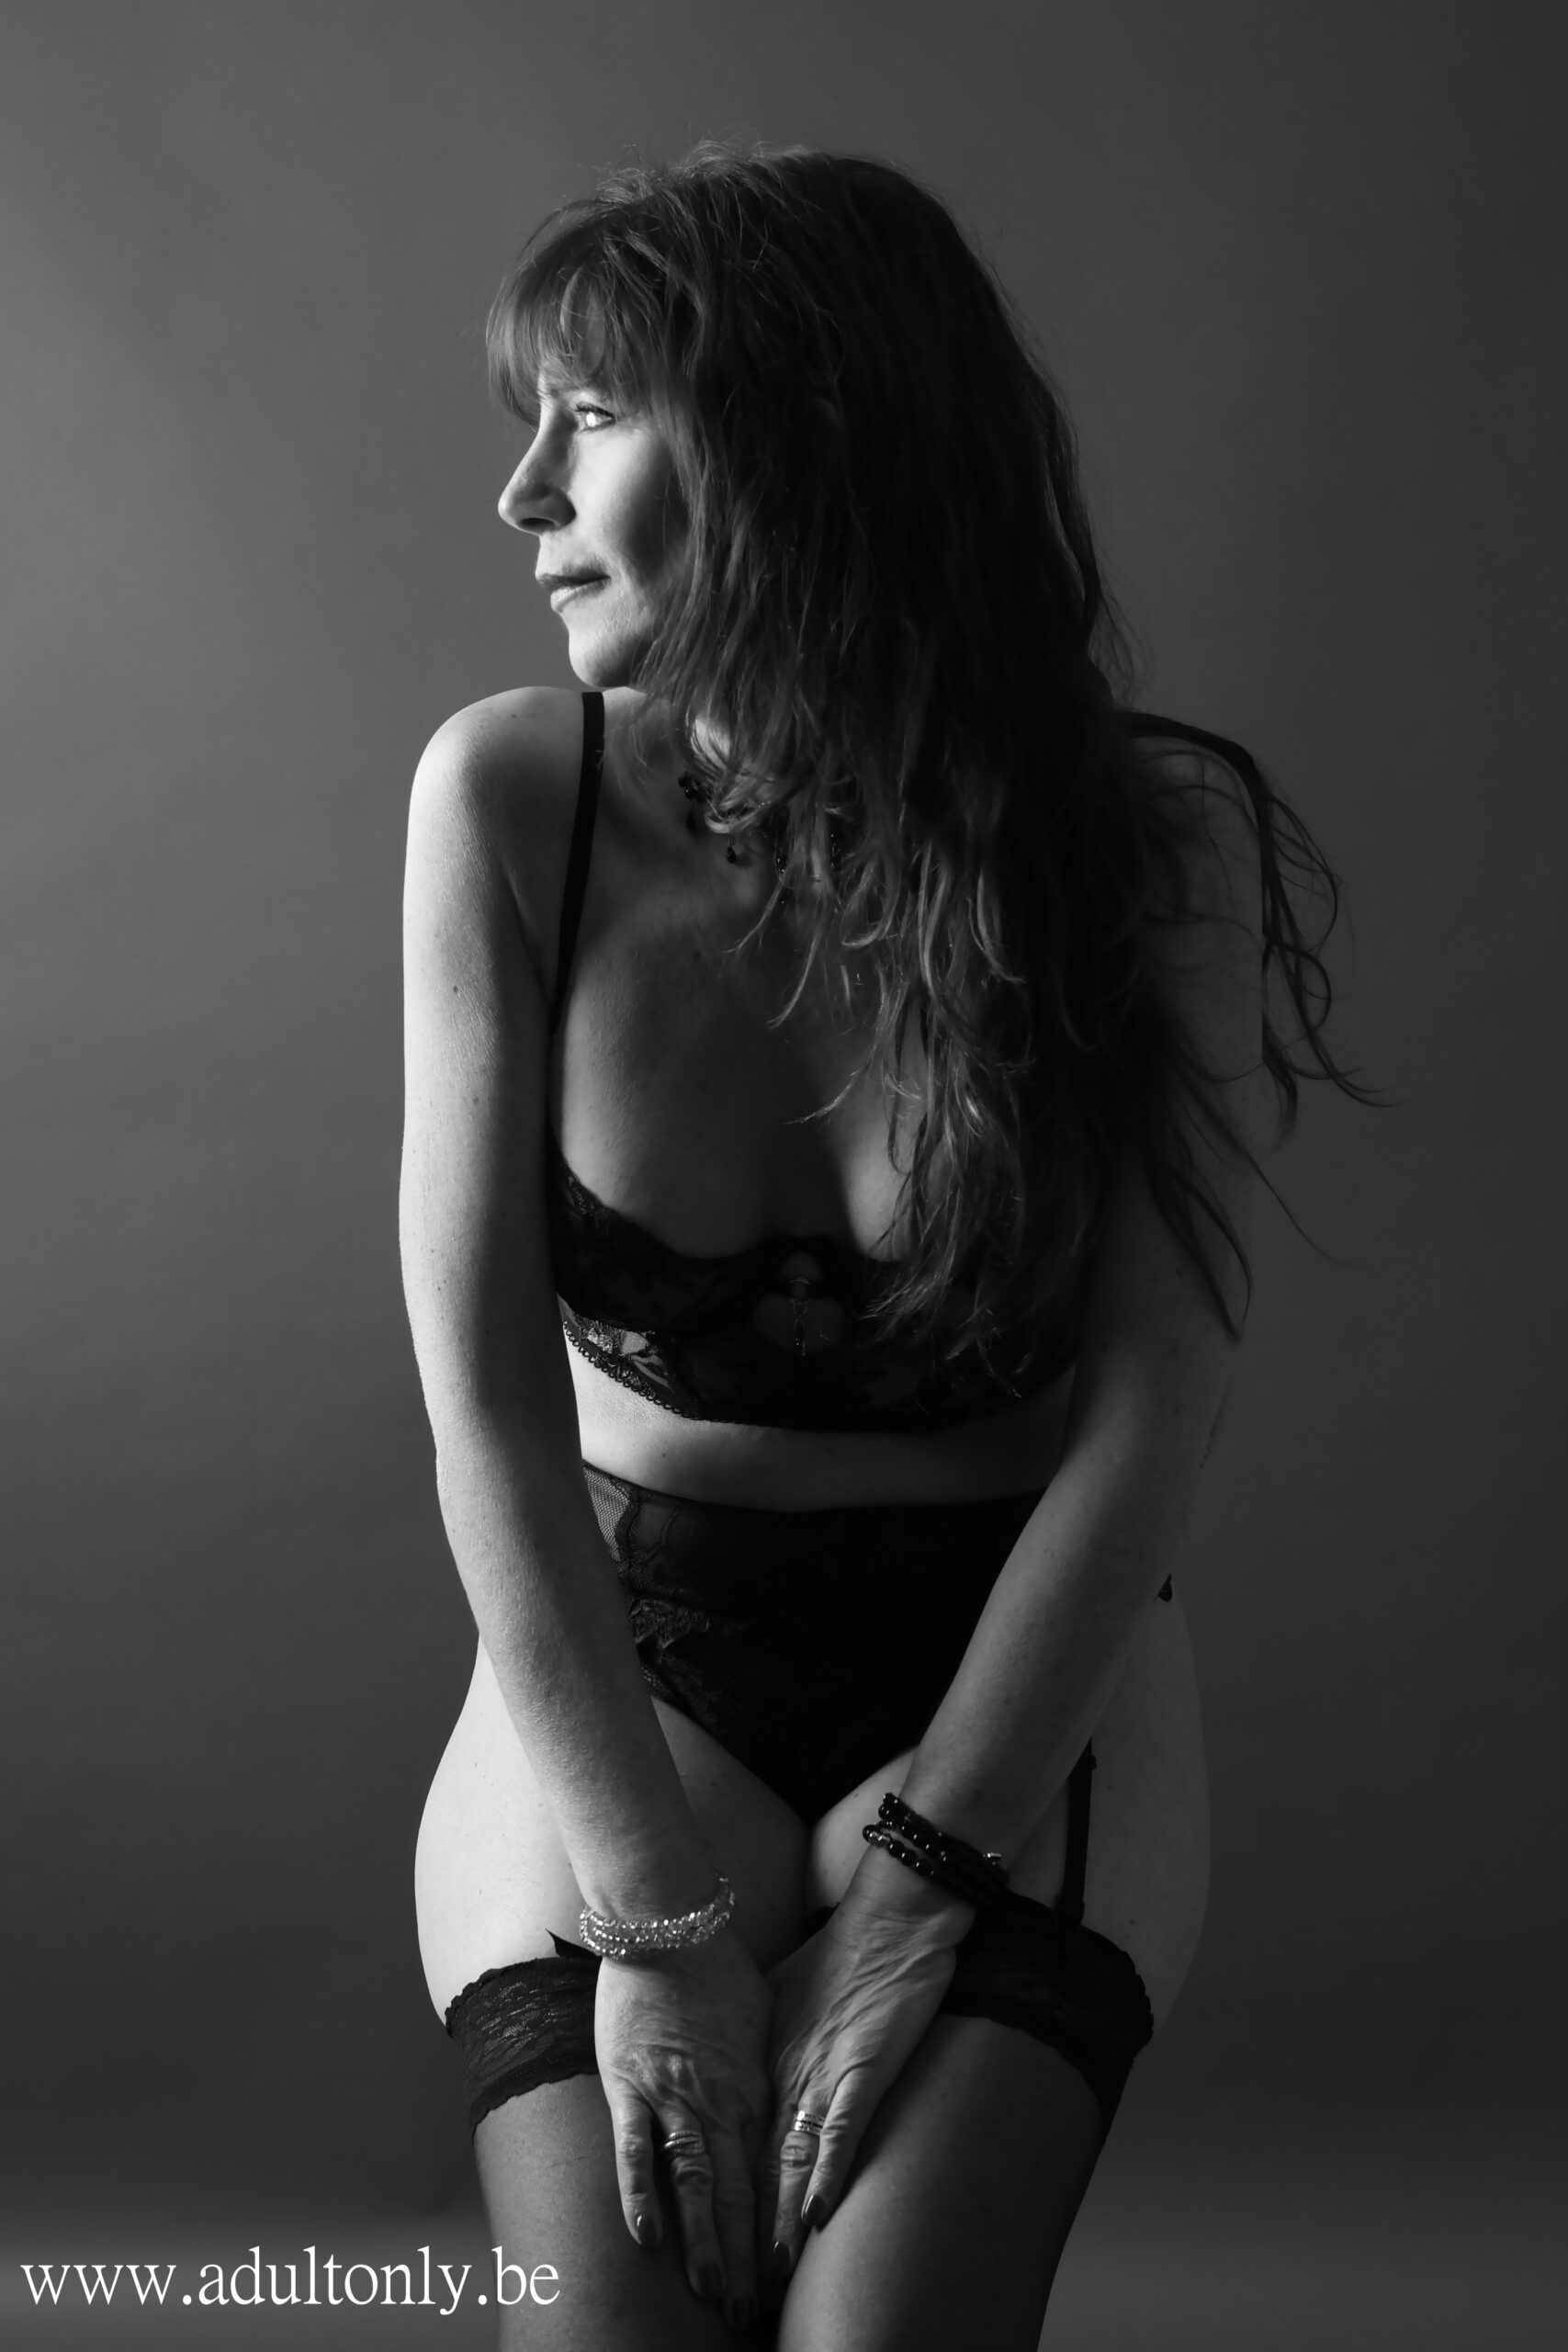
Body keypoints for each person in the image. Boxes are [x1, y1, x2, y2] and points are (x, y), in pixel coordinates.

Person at [400, 141, 1359, 2349]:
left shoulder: (1149, 845)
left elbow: (1152, 1410)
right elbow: (487, 1416)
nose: (524, 494)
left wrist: (929, 1878)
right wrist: (654, 1926)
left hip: (1023, 1680)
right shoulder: (512, 802)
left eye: (590, 418)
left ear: (791, 439)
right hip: (634, 1673)